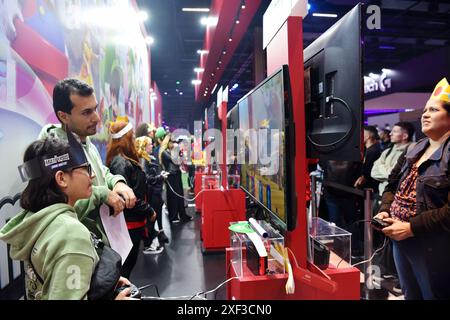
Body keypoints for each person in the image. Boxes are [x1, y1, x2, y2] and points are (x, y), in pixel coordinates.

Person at [0, 137, 132, 300]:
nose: (91, 176)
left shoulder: (38, 218)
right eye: (86, 168)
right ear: (61, 178)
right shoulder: (71, 234)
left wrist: (100, 283)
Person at [375, 78, 450, 299]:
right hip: (401, 239)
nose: (425, 114)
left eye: (434, 110)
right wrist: (386, 209)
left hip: (432, 243)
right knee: (410, 294)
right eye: (425, 110)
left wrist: (411, 227)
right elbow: (392, 184)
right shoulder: (417, 148)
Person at [38, 78, 136, 244]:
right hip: (75, 247)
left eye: (95, 109)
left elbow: (100, 171)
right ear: (63, 116)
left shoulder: (84, 141)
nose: (97, 118)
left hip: (98, 242)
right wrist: (101, 193)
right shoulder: (52, 153)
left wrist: (117, 181)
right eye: (86, 112)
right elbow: (55, 208)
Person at [106, 118, 154, 278]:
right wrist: (148, 210)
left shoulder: (125, 160)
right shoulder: (120, 162)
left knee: (127, 268)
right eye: (132, 136)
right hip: (128, 225)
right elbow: (125, 196)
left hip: (133, 224)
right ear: (125, 139)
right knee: (124, 270)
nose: (134, 140)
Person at [371, 122, 415, 288]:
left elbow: (397, 175)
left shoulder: (412, 150)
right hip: (385, 198)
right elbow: (374, 171)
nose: (390, 134)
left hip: (401, 203)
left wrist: (389, 172)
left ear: (405, 135)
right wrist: (389, 172)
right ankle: (388, 270)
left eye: (395, 131)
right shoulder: (388, 150)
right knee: (384, 238)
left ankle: (395, 274)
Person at [135, 136, 169, 254]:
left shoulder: (148, 158)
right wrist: (160, 177)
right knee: (151, 218)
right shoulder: (144, 160)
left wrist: (160, 176)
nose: (152, 146)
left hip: (155, 192)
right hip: (151, 193)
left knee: (154, 216)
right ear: (144, 146)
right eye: (149, 144)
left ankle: (151, 241)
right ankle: (148, 245)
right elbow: (147, 178)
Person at [160, 134, 193, 223]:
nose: (174, 143)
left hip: (177, 174)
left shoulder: (171, 151)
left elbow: (181, 160)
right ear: (168, 142)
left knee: (180, 195)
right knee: (172, 196)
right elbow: (175, 160)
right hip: (171, 176)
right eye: (173, 142)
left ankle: (183, 215)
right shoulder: (165, 152)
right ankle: (173, 216)